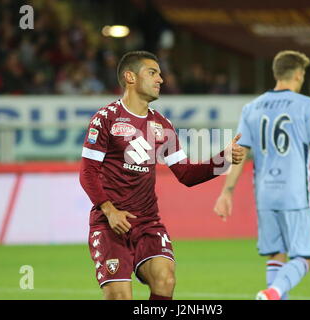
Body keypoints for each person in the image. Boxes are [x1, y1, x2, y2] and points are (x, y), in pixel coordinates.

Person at [79, 51, 244, 300]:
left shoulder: (162, 125)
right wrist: (109, 210)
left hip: (147, 223)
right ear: (130, 77)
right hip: (111, 222)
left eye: (160, 73)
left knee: (165, 279)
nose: (161, 79)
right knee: (120, 297)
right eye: (153, 73)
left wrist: (223, 158)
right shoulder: (106, 119)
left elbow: (186, 173)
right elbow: (87, 173)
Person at [213, 50, 310, 300]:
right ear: (298, 74)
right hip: (296, 193)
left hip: (265, 194)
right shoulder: (307, 106)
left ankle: (271, 294)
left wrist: (227, 191)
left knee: (276, 255)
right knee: (305, 257)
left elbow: (239, 153)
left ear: (276, 73)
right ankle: (274, 291)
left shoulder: (251, 108)